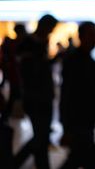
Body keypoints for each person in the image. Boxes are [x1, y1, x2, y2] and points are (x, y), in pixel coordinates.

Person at [60, 21, 95, 169]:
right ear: (81, 37)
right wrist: (66, 126)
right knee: (88, 159)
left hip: (85, 121)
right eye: (91, 35)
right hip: (79, 121)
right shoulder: (76, 62)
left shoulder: (88, 62)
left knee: (80, 158)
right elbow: (67, 94)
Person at [14, 14, 58, 169]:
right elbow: (31, 70)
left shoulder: (38, 43)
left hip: (41, 95)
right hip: (35, 96)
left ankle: (40, 164)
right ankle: (16, 162)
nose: (50, 32)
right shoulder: (30, 44)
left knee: (42, 136)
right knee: (41, 136)